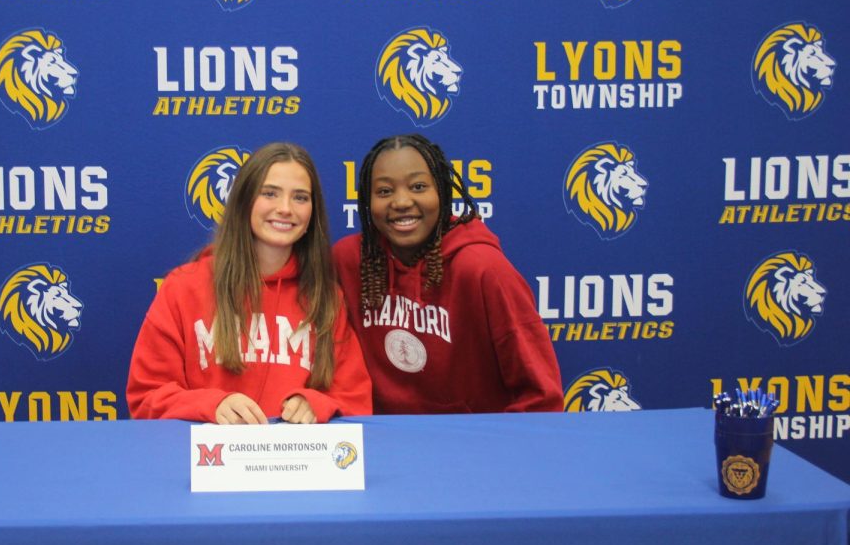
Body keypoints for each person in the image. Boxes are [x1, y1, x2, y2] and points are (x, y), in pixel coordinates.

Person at [128, 142, 373, 424]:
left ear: (311, 215)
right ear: (243, 201)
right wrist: (210, 405)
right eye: (269, 193)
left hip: (295, 464)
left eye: (300, 198)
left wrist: (316, 404)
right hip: (207, 462)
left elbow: (355, 400)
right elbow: (146, 396)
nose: (285, 208)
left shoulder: (326, 297)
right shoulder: (183, 288)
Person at [333, 134, 562, 414]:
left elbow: (541, 395)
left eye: (418, 187)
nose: (402, 201)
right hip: (379, 443)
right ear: (367, 202)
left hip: (469, 448)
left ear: (442, 191)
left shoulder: (482, 268)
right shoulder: (348, 261)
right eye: (384, 191)